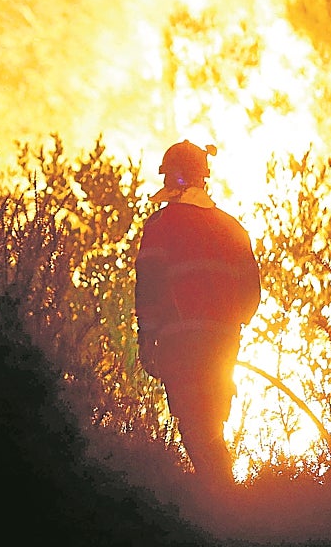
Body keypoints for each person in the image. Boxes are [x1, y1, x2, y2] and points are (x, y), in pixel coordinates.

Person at [134, 140, 261, 483]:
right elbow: (251, 294)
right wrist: (229, 326)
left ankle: (223, 495)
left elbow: (148, 286)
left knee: (194, 425)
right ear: (204, 177)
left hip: (180, 345)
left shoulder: (161, 225)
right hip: (223, 344)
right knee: (211, 422)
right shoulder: (232, 228)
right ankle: (225, 493)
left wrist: (147, 338)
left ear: (171, 177)